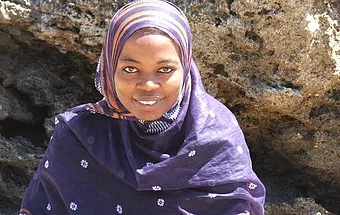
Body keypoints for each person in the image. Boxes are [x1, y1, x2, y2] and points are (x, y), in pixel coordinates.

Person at [19, 0, 266, 214]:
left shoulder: (216, 138)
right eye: (130, 69)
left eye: (165, 70)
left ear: (186, 70)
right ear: (108, 69)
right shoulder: (79, 137)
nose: (147, 85)